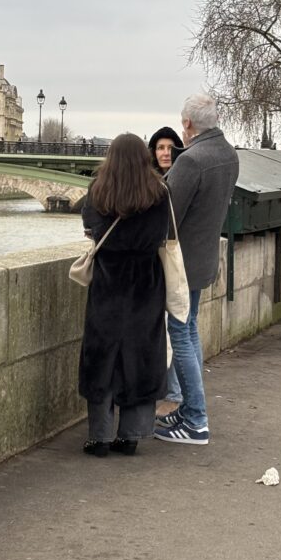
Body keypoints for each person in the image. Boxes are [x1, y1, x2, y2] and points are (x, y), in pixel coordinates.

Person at [154, 95, 239, 446]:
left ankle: (195, 420)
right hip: (204, 260)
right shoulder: (228, 155)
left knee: (180, 334)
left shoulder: (191, 161)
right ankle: (191, 409)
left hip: (182, 263)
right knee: (189, 331)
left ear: (187, 124)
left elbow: (167, 217)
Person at [79, 133, 169, 457]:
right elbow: (163, 234)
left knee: (102, 356)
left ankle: (99, 436)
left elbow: (90, 229)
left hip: (109, 279)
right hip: (146, 280)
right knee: (141, 354)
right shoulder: (159, 192)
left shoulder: (98, 190)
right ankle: (131, 434)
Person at [148, 126, 185, 415]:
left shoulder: (174, 182)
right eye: (160, 147)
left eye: (170, 147)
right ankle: (170, 391)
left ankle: (173, 394)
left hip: (172, 266)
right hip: (156, 268)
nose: (164, 153)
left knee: (176, 332)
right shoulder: (153, 183)